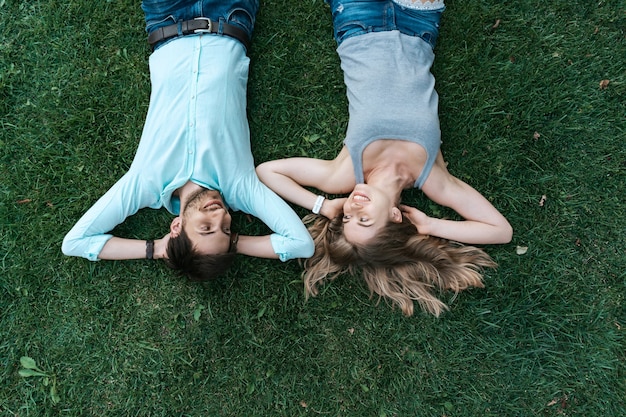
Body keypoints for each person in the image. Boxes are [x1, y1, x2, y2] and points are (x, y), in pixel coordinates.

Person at [256, 0, 513, 316]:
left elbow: (267, 171)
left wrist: (322, 206)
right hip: (419, 24)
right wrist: (429, 224)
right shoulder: (433, 179)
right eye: (364, 219)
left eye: (347, 217)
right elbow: (500, 231)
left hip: (358, 19)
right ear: (394, 216)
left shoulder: (344, 173)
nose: (352, 207)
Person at [62, 0, 314, 280]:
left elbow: (75, 242)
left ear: (176, 227)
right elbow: (300, 244)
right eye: (228, 230)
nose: (220, 218)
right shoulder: (239, 187)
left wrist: (156, 248)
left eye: (206, 228)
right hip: (230, 15)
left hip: (167, 18)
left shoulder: (146, 182)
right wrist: (232, 245)